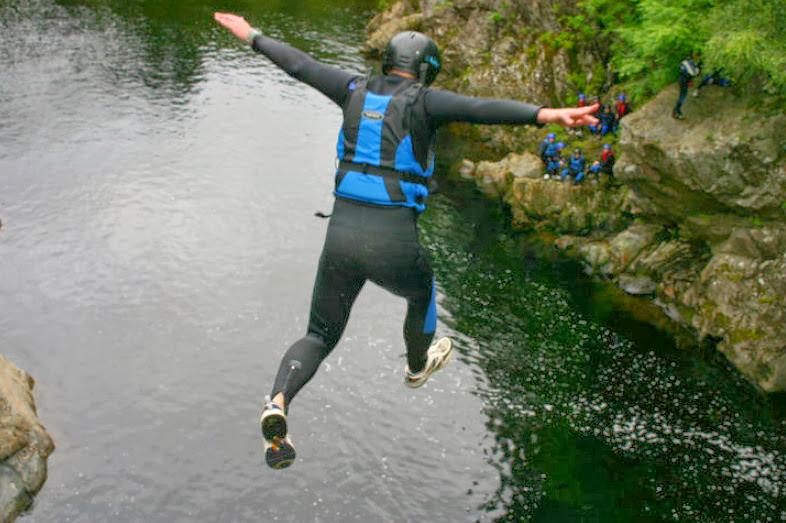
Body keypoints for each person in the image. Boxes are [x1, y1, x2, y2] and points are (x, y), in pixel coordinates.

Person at [213, 12, 599, 470]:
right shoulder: (425, 102)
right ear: (425, 69)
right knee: (422, 294)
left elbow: (300, 64)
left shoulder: (351, 88)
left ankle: (278, 401)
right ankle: (417, 367)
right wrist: (547, 114)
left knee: (318, 334)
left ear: (387, 60)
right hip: (392, 240)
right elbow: (480, 108)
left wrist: (253, 35)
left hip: (340, 237)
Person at [673, 54, 700, 119]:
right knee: (682, 96)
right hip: (684, 81)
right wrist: (697, 69)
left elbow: (685, 72)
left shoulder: (683, 62)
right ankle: (676, 111)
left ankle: (676, 111)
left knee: (682, 96)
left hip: (682, 80)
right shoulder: (691, 62)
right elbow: (694, 73)